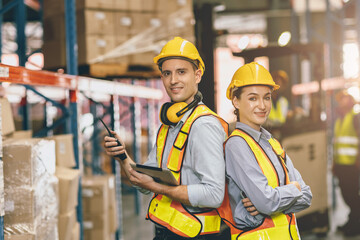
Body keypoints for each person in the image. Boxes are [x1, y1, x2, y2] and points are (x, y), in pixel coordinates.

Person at [104, 37, 231, 240]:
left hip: (196, 236)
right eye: (167, 73)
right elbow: (144, 183)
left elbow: (214, 195)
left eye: (181, 72)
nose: (173, 80)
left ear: (197, 75)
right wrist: (122, 156)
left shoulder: (203, 126)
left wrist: (156, 187)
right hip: (167, 232)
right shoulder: (169, 124)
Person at [222, 62, 312, 239]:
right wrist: (293, 189)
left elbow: (307, 196)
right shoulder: (237, 145)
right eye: (253, 98)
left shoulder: (273, 144)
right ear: (236, 101)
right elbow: (267, 202)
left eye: (267, 97)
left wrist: (270, 203)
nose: (262, 106)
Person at [333, 90, 360, 236]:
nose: (341, 102)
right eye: (340, 99)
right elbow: (337, 143)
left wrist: (358, 160)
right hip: (341, 165)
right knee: (345, 194)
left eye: (344, 99)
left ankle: (356, 224)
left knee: (352, 195)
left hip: (352, 165)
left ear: (350, 102)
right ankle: (352, 220)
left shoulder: (355, 117)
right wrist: (334, 164)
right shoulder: (339, 120)